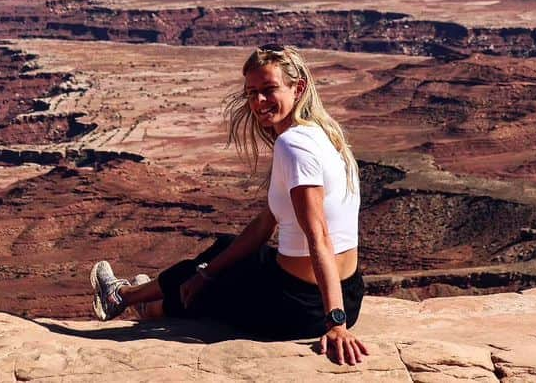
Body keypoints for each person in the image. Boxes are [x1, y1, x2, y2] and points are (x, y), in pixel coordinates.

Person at [89, 44, 368, 366]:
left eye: (268, 89)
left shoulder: (293, 145)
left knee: (208, 289)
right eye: (251, 93)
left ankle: (132, 301)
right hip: (350, 294)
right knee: (221, 257)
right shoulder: (324, 135)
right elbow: (266, 223)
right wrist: (206, 274)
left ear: (298, 88)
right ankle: (134, 297)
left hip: (299, 306)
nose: (258, 102)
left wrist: (336, 324)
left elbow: (318, 235)